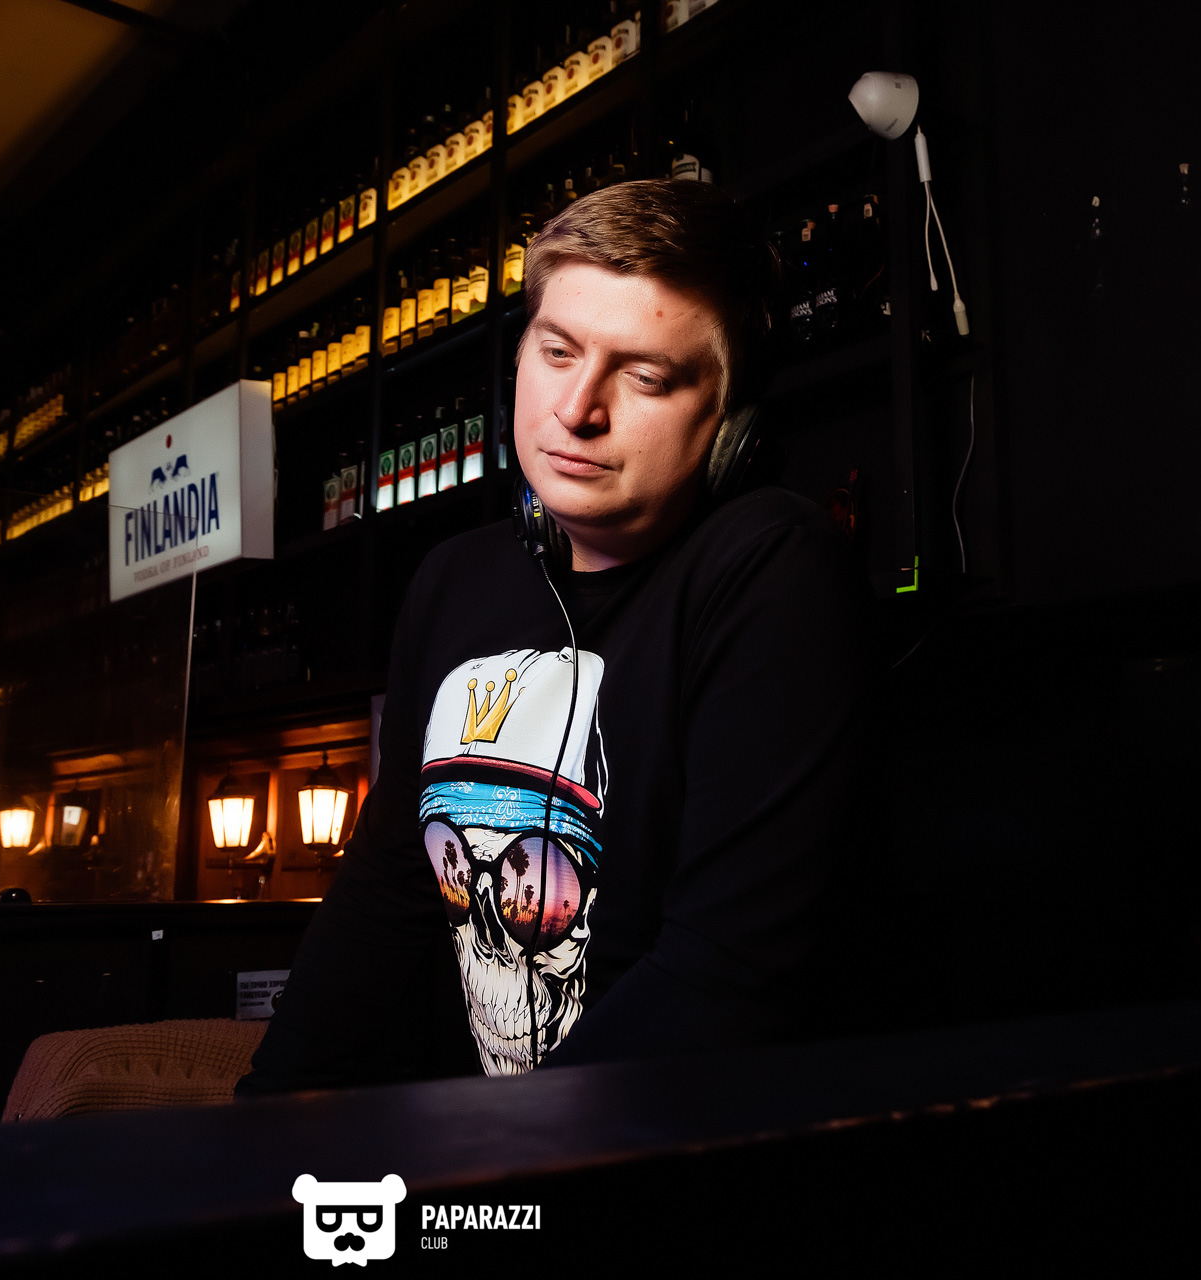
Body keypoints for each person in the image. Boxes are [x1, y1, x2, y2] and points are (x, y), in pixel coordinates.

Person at [241, 180, 870, 1090]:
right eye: (557, 351)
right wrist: (257, 1117)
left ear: (730, 427)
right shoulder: (452, 581)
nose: (577, 409)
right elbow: (385, 889)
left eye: (645, 377)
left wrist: (505, 1153)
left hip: (666, 1140)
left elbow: (728, 973)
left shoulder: (775, 569)